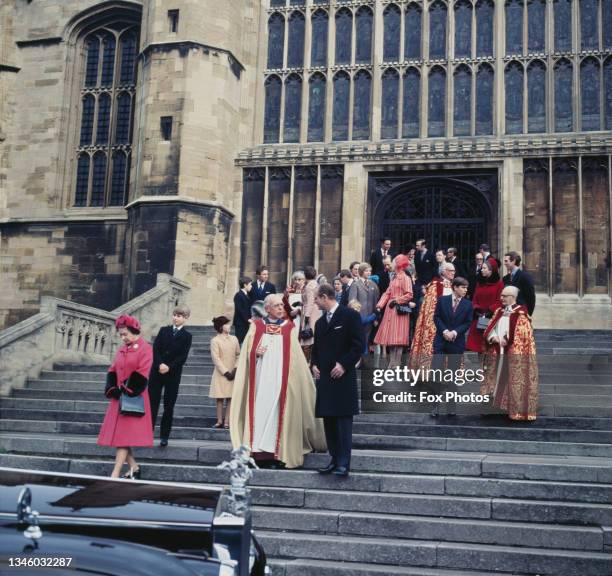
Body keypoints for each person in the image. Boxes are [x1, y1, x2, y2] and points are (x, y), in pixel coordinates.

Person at [230, 294, 326, 468]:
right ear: (267, 309)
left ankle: (276, 454)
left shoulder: (289, 327)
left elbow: (296, 358)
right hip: (260, 380)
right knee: (259, 412)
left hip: (281, 380)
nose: (281, 308)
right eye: (276, 305)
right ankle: (258, 454)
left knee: (278, 415)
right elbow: (247, 353)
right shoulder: (257, 326)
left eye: (282, 305)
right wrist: (255, 353)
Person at [312, 284, 363, 478]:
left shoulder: (350, 316)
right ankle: (334, 459)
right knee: (329, 422)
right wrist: (314, 364)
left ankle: (344, 463)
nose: (314, 303)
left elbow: (358, 345)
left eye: (316, 299)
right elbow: (317, 348)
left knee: (343, 423)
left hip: (342, 378)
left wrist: (343, 364)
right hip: (325, 378)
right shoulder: (320, 323)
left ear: (325, 297)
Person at [98, 315, 153, 478]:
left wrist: (127, 389)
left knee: (122, 438)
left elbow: (142, 372)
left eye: (125, 334)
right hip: (119, 398)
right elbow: (113, 369)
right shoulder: (122, 349)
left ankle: (114, 474)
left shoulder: (146, 348)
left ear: (134, 331)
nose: (122, 338)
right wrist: (112, 388)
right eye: (120, 334)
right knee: (120, 437)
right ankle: (134, 468)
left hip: (133, 397)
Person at [480, 286, 539, 421]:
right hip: (496, 352)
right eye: (501, 296)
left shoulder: (521, 314)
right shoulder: (499, 311)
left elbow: (524, 336)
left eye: (504, 296)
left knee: (511, 380)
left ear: (512, 297)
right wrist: (493, 337)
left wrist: (509, 342)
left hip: (511, 354)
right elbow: (489, 328)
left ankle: (512, 409)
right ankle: (493, 407)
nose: (501, 298)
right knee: (493, 379)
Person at [148, 306, 193, 448]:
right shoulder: (163, 330)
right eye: (174, 315)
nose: (175, 318)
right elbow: (155, 349)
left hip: (173, 374)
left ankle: (164, 436)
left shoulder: (187, 336)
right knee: (152, 404)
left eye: (179, 316)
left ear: (185, 318)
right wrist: (160, 364)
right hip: (157, 372)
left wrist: (169, 366)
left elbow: (182, 357)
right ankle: (147, 433)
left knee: (169, 406)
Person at [430, 278, 473, 417]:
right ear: (455, 287)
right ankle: (435, 406)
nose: (466, 290)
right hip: (441, 341)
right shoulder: (443, 300)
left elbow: (467, 322)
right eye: (463, 287)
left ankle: (451, 407)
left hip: (456, 342)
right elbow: (436, 318)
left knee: (453, 375)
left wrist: (454, 332)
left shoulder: (468, 304)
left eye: (467, 287)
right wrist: (444, 331)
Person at [409, 262, 455, 371]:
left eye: (454, 271)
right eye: (451, 270)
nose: (453, 273)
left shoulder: (454, 285)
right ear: (443, 272)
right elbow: (430, 307)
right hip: (436, 324)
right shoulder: (435, 285)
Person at [374, 254, 414, 368]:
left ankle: (396, 363)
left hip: (399, 311)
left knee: (398, 338)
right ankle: (392, 362)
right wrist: (379, 306)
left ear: (399, 264)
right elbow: (387, 293)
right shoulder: (394, 277)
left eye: (394, 261)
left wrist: (396, 300)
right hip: (390, 310)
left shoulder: (405, 278)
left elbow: (409, 294)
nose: (391, 264)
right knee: (391, 338)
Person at [466, 259, 504, 354]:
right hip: (479, 319)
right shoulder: (479, 283)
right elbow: (474, 299)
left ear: (491, 270)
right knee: (480, 349)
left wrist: (490, 310)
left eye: (484, 268)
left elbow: (500, 301)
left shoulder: (499, 284)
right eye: (481, 268)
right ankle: (482, 368)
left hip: (493, 319)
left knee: (491, 348)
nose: (481, 270)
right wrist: (476, 308)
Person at [209, 316, 240, 429]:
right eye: (227, 324)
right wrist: (226, 372)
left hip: (233, 372)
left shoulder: (234, 339)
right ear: (221, 327)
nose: (229, 326)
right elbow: (216, 358)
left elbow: (238, 354)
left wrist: (235, 369)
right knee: (220, 398)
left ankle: (227, 421)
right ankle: (219, 421)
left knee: (230, 398)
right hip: (221, 373)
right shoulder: (215, 341)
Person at [348, 263, 380, 351]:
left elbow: (376, 301)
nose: (369, 273)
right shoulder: (355, 285)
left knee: (368, 340)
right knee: (359, 341)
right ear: (361, 271)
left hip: (371, 317)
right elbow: (352, 301)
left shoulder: (373, 285)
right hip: (359, 317)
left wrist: (376, 317)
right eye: (366, 271)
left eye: (370, 271)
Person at [503, 251, 536, 316]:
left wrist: (527, 314)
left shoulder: (525, 277)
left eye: (506, 261)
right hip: (508, 314)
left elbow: (531, 298)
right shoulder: (505, 278)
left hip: (520, 313)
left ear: (513, 261)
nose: (505, 263)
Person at [301, 266, 323, 361]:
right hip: (315, 311)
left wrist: (307, 316)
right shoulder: (314, 284)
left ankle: (309, 360)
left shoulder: (310, 286)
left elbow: (310, 301)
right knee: (312, 335)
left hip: (311, 312)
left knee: (308, 336)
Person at [233, 276, 253, 344]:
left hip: (245, 323)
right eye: (250, 284)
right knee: (239, 342)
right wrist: (247, 319)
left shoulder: (246, 295)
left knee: (244, 342)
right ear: (245, 285)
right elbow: (239, 309)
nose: (251, 286)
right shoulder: (238, 295)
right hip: (240, 323)